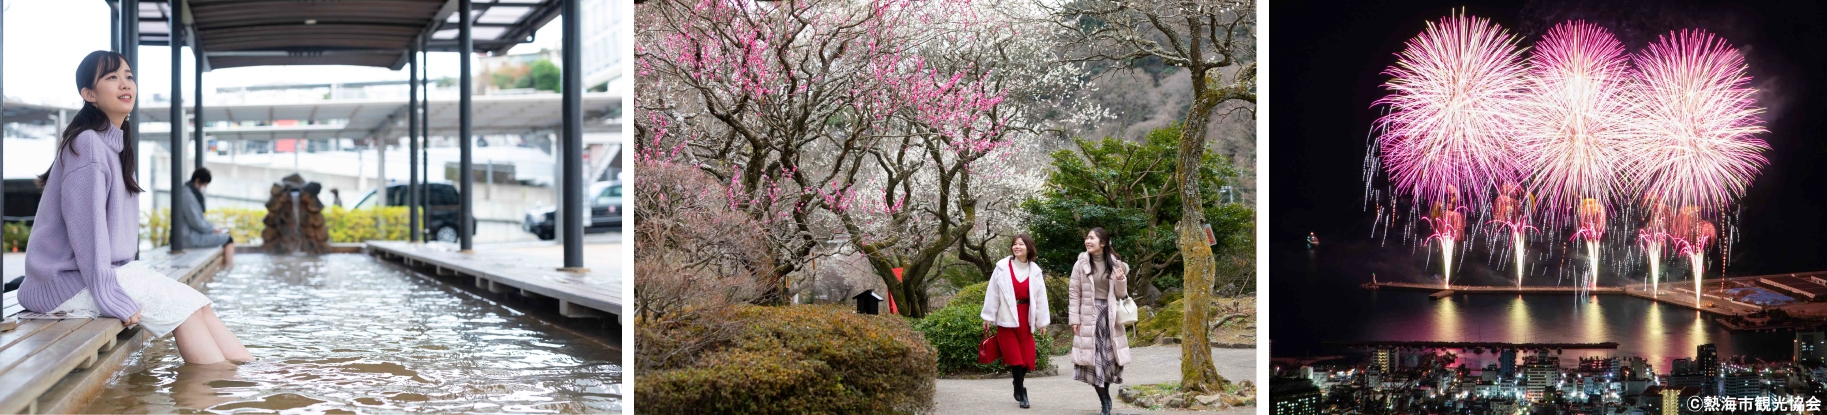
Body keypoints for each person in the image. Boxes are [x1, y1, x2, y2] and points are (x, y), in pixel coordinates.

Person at [19, 51, 252, 365]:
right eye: (111, 77)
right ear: (89, 94)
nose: (124, 83)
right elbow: (88, 234)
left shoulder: (115, 146)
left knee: (198, 304)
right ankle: (216, 390)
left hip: (100, 274)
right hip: (64, 284)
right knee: (184, 311)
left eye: (128, 76)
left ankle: (252, 374)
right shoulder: (87, 144)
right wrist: (107, 294)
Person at [980, 234, 1049, 409]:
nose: (1017, 247)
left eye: (1021, 244)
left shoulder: (1035, 271)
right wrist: (988, 317)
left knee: (1027, 359)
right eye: (1015, 244)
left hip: (1026, 318)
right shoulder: (1002, 268)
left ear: (1028, 248)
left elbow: (1041, 298)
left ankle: (1016, 383)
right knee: (1015, 359)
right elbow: (992, 293)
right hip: (1006, 318)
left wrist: (1042, 322)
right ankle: (1022, 392)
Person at [1070, 227, 1130, 415]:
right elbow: (1074, 292)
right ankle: (1104, 400)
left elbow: (1121, 295)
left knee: (1108, 362)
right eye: (1087, 238)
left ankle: (1106, 393)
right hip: (1089, 317)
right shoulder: (1081, 264)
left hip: (1110, 318)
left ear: (1102, 243)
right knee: (1094, 361)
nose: (1087, 241)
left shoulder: (1116, 264)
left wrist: (1121, 280)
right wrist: (1074, 319)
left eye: (1092, 238)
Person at [176, 167, 234, 266]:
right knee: (228, 239)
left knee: (223, 236)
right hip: (189, 237)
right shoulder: (188, 196)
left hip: (189, 235)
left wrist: (213, 229)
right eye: (203, 185)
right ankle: (229, 268)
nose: (202, 188)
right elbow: (196, 223)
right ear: (197, 180)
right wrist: (212, 229)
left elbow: (198, 220)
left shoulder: (189, 192)